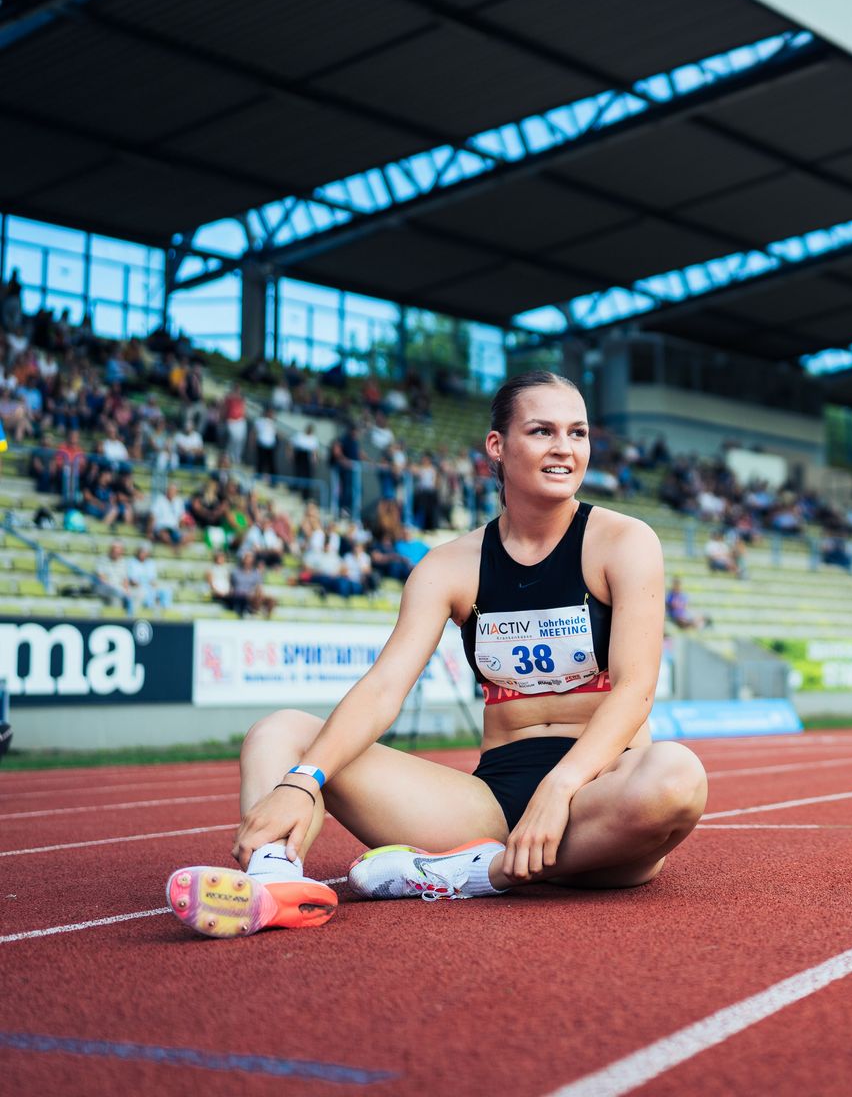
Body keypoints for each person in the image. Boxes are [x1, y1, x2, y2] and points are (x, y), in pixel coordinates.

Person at [164, 371, 704, 938]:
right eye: (542, 431)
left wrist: (562, 786)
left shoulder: (624, 541)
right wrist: (301, 782)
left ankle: (472, 874)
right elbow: (383, 689)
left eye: (578, 433)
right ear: (497, 446)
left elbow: (637, 686)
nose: (564, 449)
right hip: (488, 805)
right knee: (279, 733)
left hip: (601, 798)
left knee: (675, 777)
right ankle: (273, 879)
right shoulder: (448, 566)